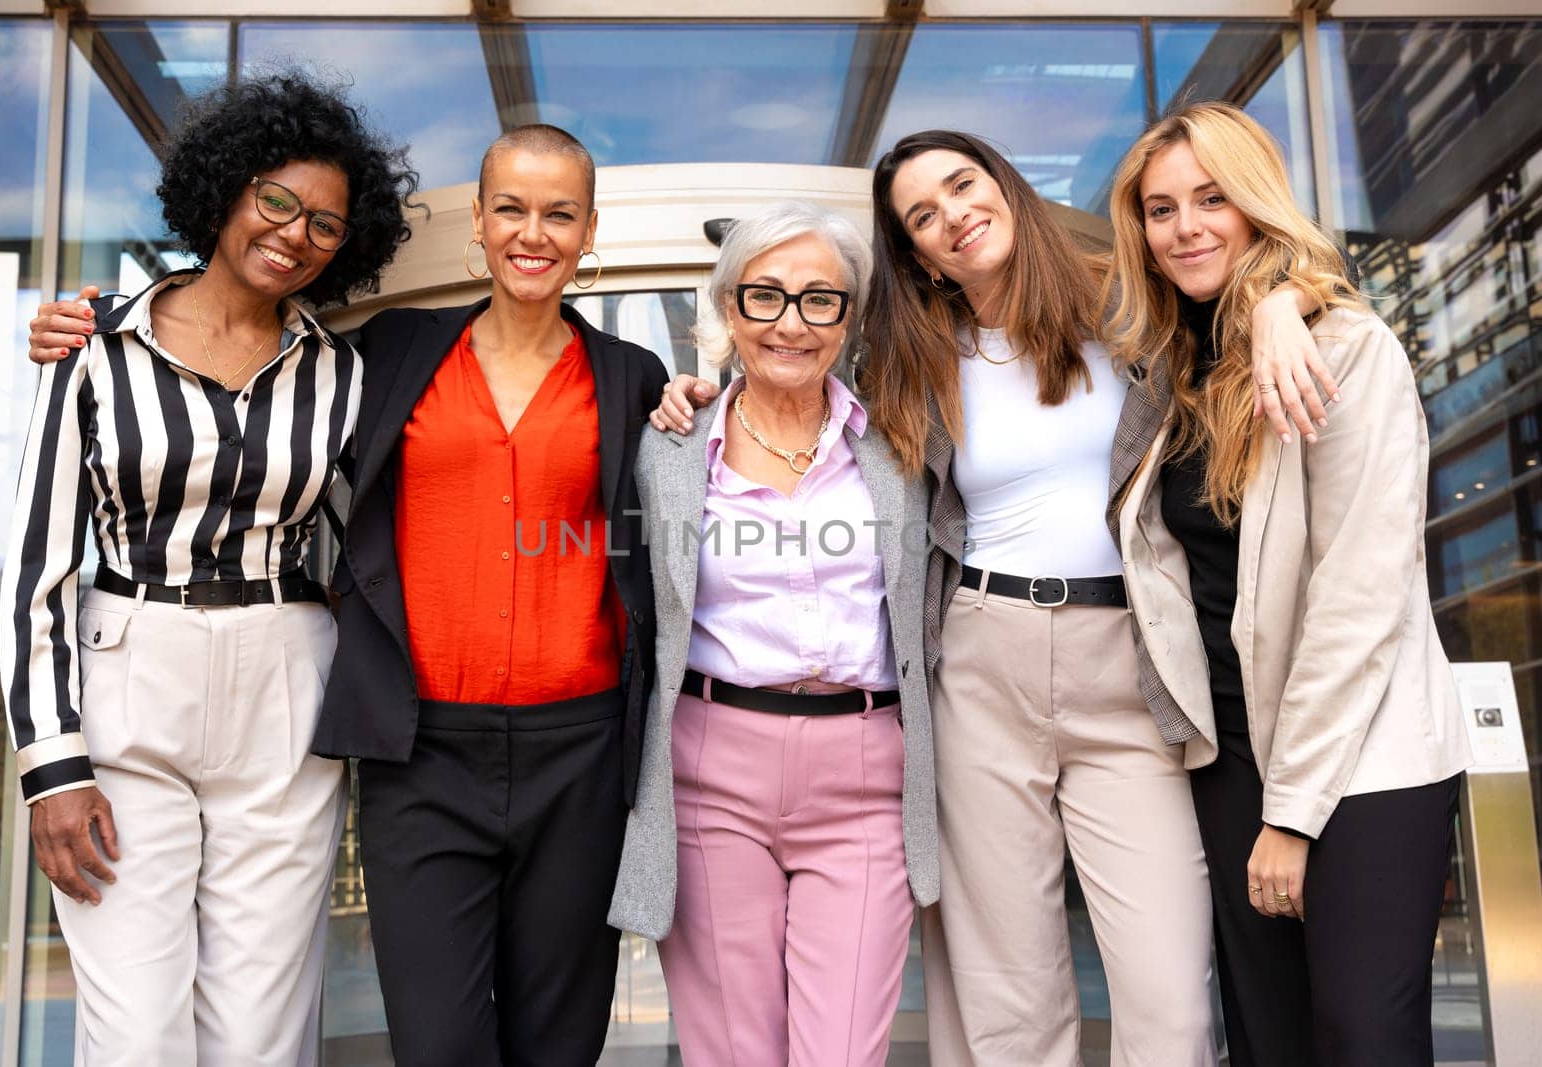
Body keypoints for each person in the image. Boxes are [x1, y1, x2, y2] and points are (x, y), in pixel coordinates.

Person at [654, 131, 1338, 1066]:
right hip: (979, 658)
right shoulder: (909, 357)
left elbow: (1260, 271)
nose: (952, 218)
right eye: (921, 218)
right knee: (1007, 993)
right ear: (917, 256)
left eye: (962, 186)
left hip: (1128, 663)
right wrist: (697, 392)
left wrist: (1283, 310)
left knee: (1170, 989)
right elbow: (787, 372)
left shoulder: (1132, 306)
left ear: (1006, 185)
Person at [27, 125, 668, 1067]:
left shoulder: (630, 377)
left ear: (589, 230)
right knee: (434, 1041)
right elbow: (230, 359)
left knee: (551, 1041)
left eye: (559, 213)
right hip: (419, 750)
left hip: (575, 749)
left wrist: (708, 398)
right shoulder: (388, 354)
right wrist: (83, 323)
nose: (534, 232)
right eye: (511, 208)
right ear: (479, 228)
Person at [0, 72, 416, 1066]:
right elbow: (34, 567)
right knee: (136, 1031)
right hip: (129, 673)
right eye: (277, 199)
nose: (296, 232)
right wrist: (49, 769)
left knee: (262, 1030)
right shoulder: (97, 348)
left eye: (325, 222)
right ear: (228, 188)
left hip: (285, 680)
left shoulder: (340, 372)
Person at [1104, 102, 1472, 1067]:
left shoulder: (1345, 349)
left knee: (1362, 1036)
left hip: (1359, 758)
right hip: (1229, 757)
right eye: (1160, 208)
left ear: (1258, 203)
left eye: (1212, 198)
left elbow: (1359, 596)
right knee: (1270, 1039)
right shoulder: (1171, 375)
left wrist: (1292, 813)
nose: (1185, 227)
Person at [609, 202, 938, 1066]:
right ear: (727, 309)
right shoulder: (668, 449)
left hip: (866, 774)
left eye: (819, 299)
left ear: (850, 317)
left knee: (842, 1051)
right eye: (765, 297)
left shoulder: (902, 445)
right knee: (733, 1050)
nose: (790, 323)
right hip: (711, 771)